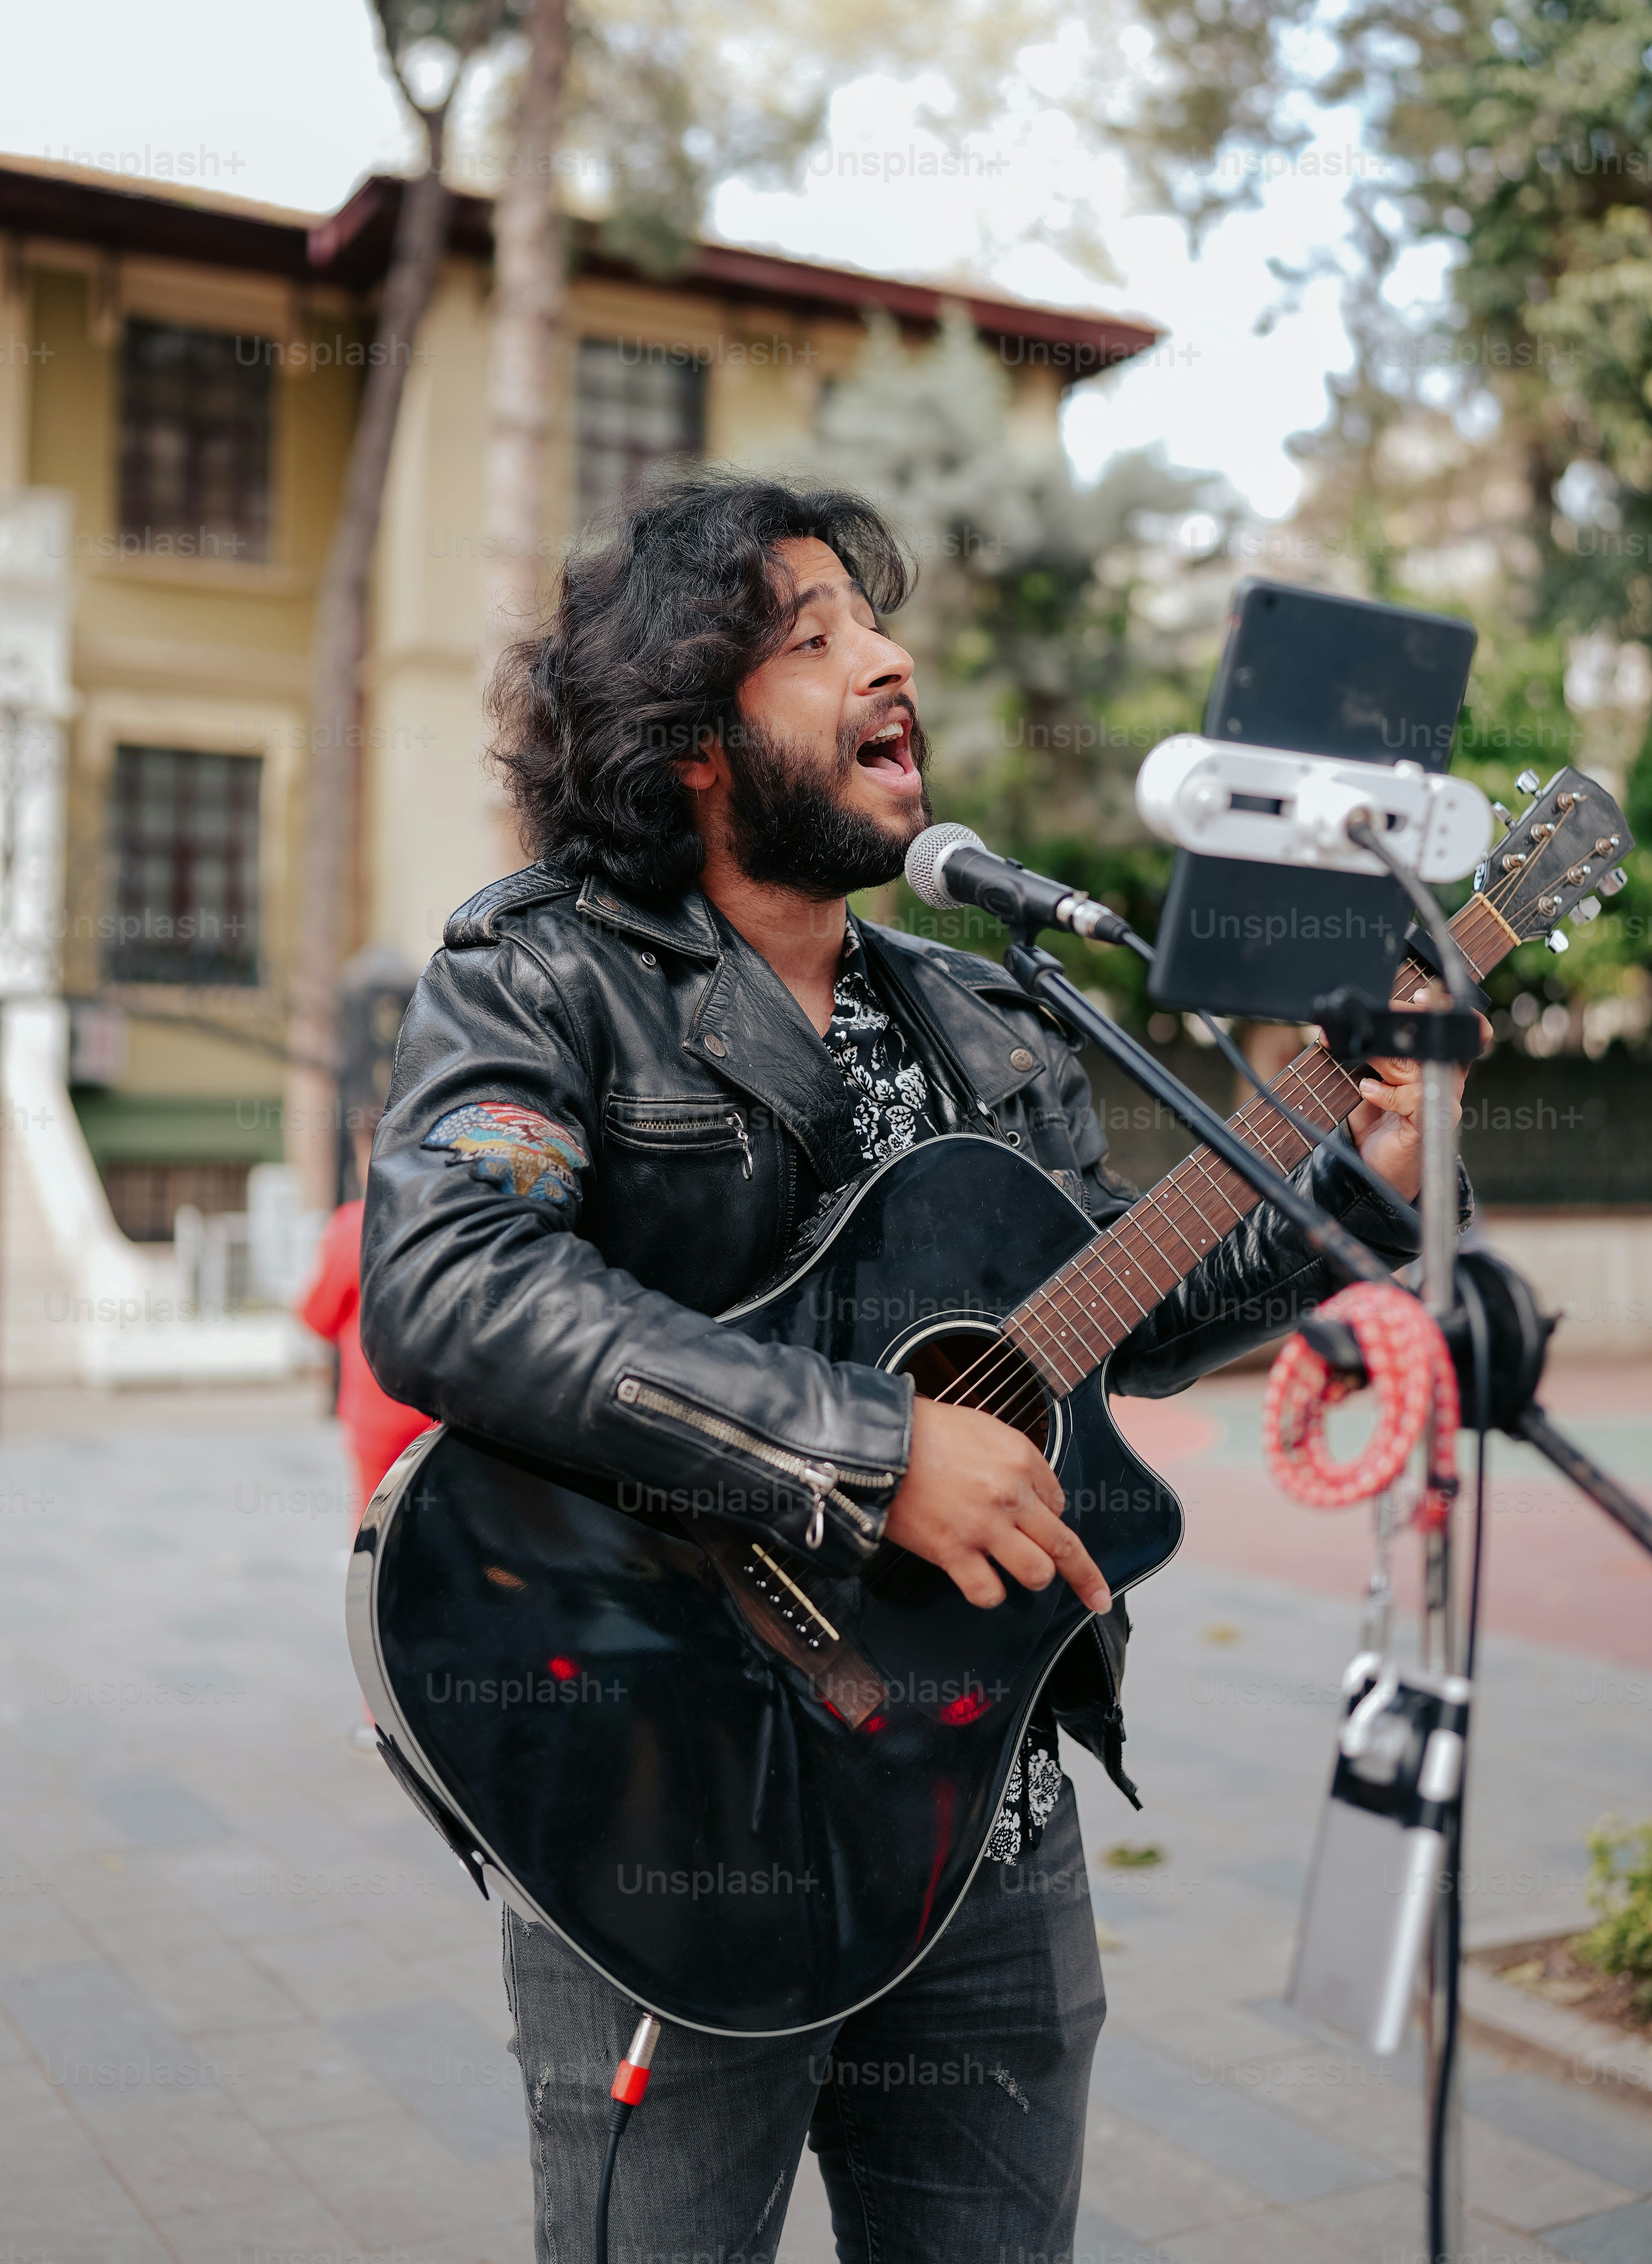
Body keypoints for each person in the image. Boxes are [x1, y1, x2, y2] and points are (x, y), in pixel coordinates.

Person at [360, 472, 1466, 2264]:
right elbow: (446, 1280)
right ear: (691, 742)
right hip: (667, 1813)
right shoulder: (539, 973)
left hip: (976, 1811)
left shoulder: (979, 1014)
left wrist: (1351, 1166)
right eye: (813, 639)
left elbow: (1137, 1308)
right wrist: (871, 1448)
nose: (888, 660)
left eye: (877, 625)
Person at [297, 1138, 434, 1529]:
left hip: (378, 1410)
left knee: (379, 1535)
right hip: (445, 1406)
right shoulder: (451, 1216)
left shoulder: (354, 1223)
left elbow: (317, 1315)